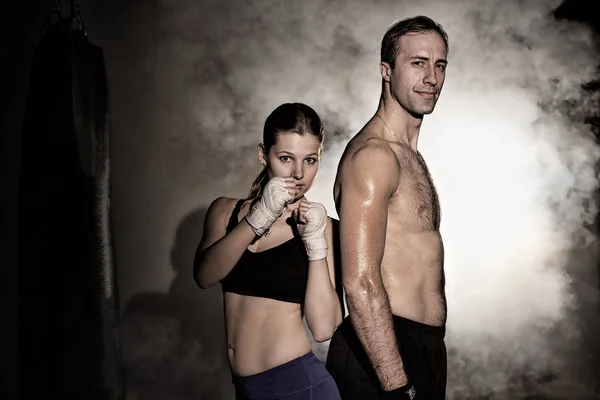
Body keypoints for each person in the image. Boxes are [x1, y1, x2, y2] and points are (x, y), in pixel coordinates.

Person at [325, 16, 450, 400]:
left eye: (439, 64)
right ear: (386, 70)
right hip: (382, 354)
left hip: (423, 348)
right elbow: (360, 282)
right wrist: (396, 386)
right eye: (417, 63)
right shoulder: (374, 156)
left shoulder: (407, 153)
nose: (432, 77)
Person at [194, 103, 343, 400]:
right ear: (263, 154)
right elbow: (204, 276)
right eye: (286, 158)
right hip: (247, 390)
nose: (299, 173)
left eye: (310, 160)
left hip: (299, 386)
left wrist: (314, 243)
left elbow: (325, 328)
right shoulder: (225, 212)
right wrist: (258, 218)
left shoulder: (323, 227)